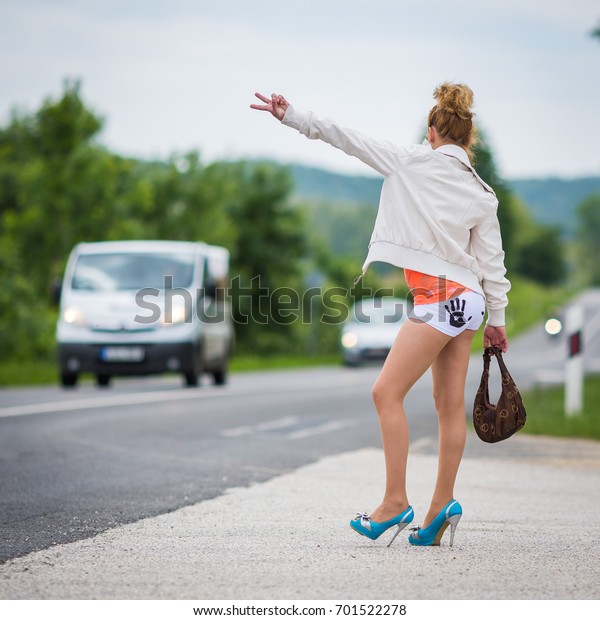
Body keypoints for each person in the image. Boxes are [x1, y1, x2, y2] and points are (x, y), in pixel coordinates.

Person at [250, 84, 510, 547]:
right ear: (468, 140)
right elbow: (492, 262)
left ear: (432, 133)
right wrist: (499, 319)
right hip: (469, 301)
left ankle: (395, 502)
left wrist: (292, 117)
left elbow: (348, 137)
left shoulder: (411, 161)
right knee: (449, 408)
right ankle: (440, 507)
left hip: (439, 299)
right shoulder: (481, 191)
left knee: (385, 391)